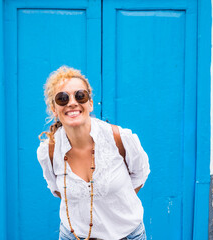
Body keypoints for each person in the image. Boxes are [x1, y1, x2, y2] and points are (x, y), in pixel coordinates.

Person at [37, 66, 150, 240]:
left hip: (127, 235)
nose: (72, 102)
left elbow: (140, 175)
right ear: (54, 109)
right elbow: (57, 189)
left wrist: (112, 202)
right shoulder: (48, 151)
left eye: (80, 95)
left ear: (90, 103)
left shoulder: (120, 138)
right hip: (74, 236)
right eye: (62, 98)